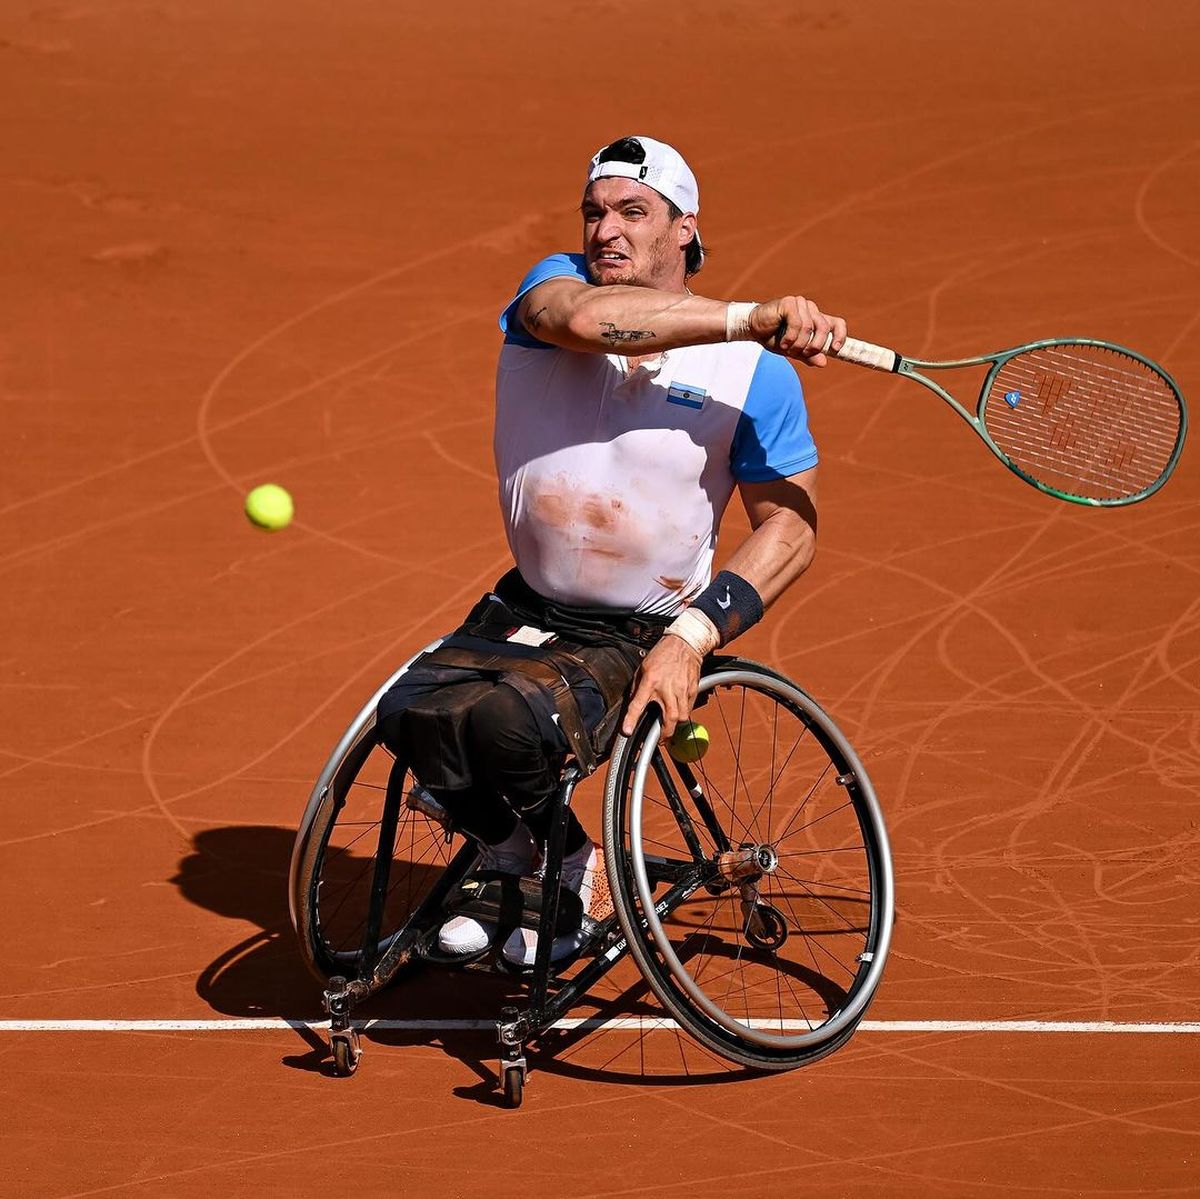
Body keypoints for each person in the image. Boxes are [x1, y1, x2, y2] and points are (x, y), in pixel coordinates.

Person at [375, 135, 845, 969]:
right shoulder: (552, 297)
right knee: (409, 715)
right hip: (525, 604)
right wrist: (756, 316)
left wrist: (691, 637)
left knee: (504, 728)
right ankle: (529, 860)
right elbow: (593, 321)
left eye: (634, 212)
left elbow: (793, 525)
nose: (605, 231)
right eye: (594, 211)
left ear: (685, 230)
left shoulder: (754, 374)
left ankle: (556, 873)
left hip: (638, 629)